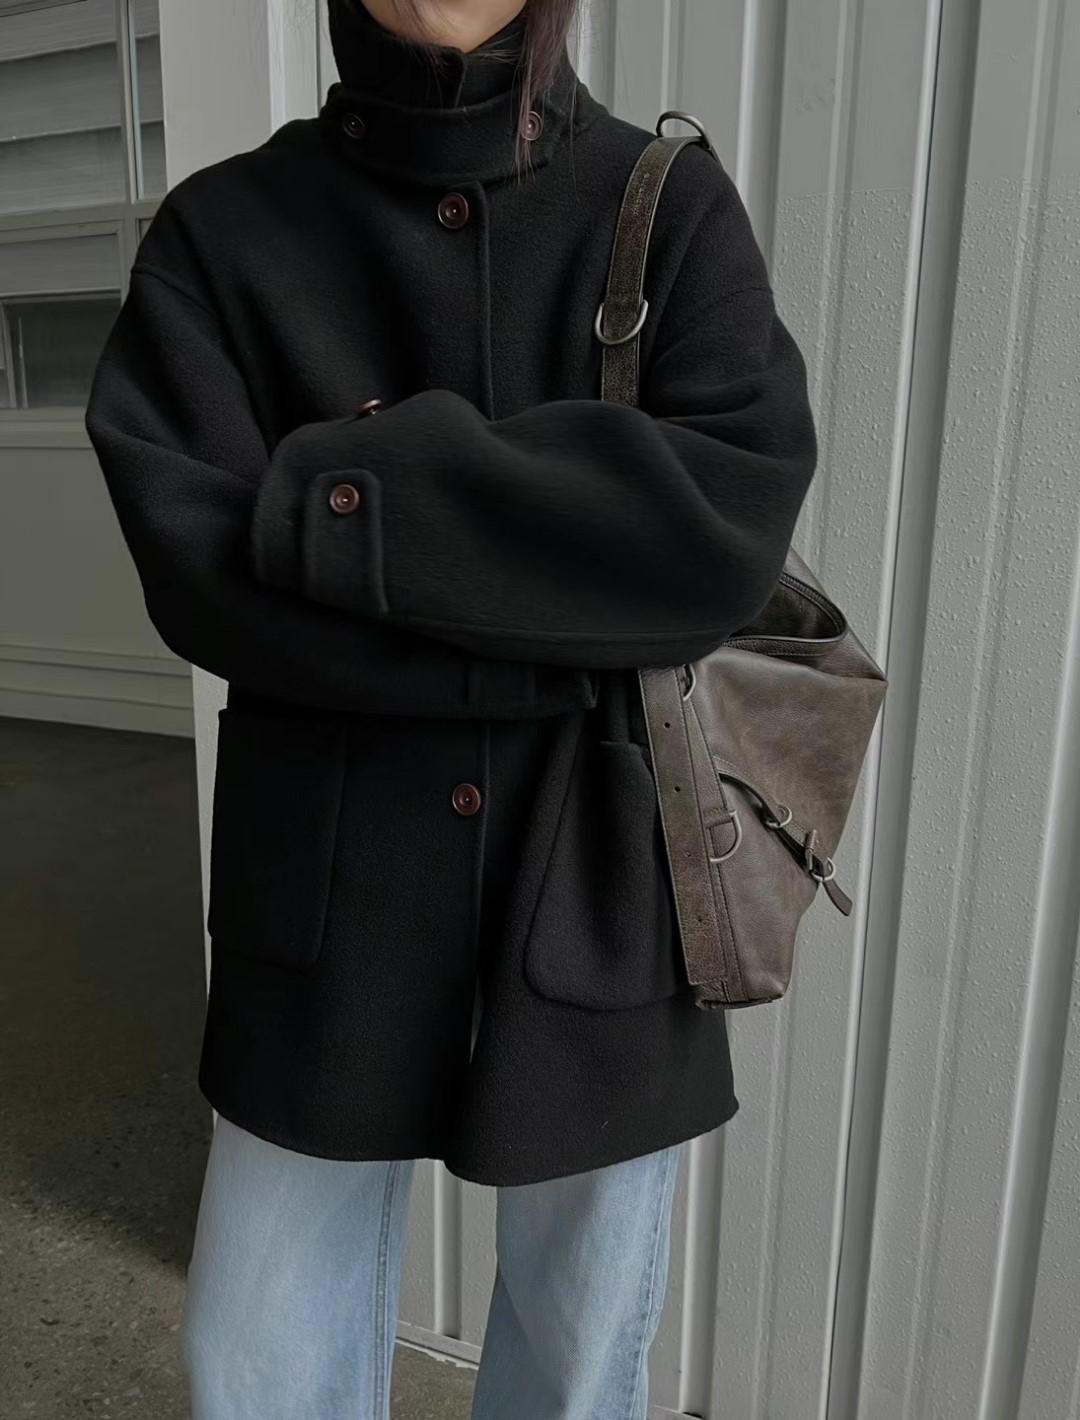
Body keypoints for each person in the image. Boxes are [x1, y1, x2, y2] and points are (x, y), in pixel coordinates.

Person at [84, 1, 818, 1415]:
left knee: (579, 1354)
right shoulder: (220, 234)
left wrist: (334, 497)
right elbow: (198, 566)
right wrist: (560, 611)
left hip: (597, 878)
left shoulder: (665, 207)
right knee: (257, 1354)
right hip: (324, 893)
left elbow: (721, 540)